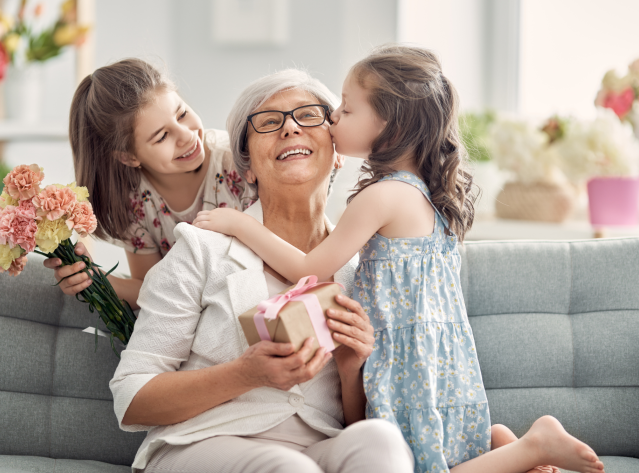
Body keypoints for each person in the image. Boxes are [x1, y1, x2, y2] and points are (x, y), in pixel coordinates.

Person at [194, 45, 604, 473]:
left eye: (347, 110)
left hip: (408, 357)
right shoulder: (422, 194)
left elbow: (307, 270)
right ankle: (503, 446)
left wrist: (238, 224)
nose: (333, 119)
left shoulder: (382, 196)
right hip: (439, 354)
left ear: (388, 126)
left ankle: (531, 447)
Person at [109, 69, 415, 473]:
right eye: (269, 123)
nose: (290, 129)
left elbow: (352, 422)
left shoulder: (366, 269)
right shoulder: (203, 249)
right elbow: (131, 401)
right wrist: (245, 374)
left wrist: (350, 371)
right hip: (202, 443)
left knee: (380, 440)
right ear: (247, 167)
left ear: (338, 148)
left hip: (318, 447)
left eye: (308, 116)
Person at [43, 58, 251, 308]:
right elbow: (151, 288)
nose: (186, 135)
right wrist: (94, 279)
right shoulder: (135, 204)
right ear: (128, 157)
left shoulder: (238, 161)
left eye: (182, 114)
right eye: (162, 136)